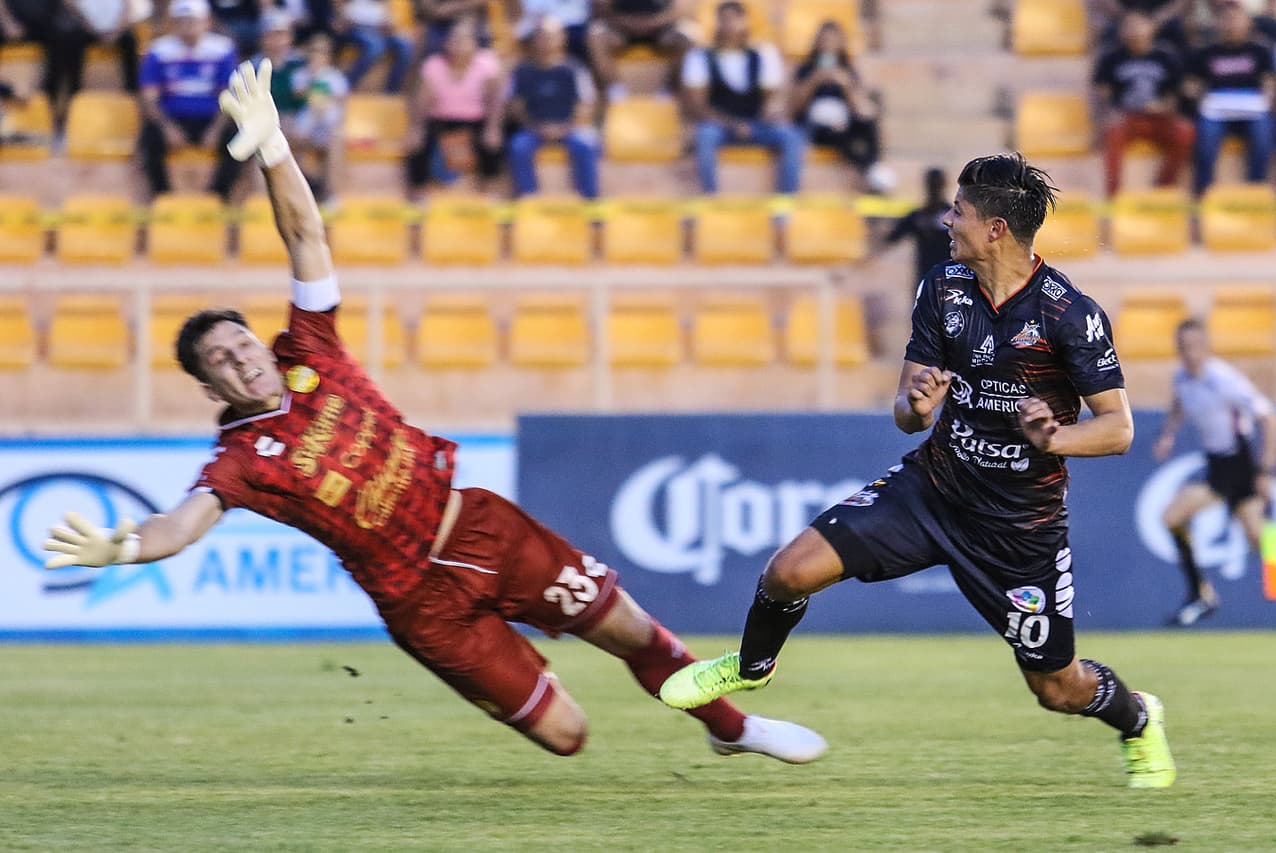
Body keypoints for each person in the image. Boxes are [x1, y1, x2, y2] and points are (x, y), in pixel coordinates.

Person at [42, 57, 826, 766]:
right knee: (568, 737)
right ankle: (523, 685)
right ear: (211, 389)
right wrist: (122, 546)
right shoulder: (241, 460)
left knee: (628, 629)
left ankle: (732, 728)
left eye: (240, 341)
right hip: (421, 604)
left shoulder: (310, 348)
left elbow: (305, 233)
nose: (240, 356)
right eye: (220, 360)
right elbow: (180, 524)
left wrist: (276, 149)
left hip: (482, 528)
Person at [659, 152, 1178, 790]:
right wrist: (917, 405)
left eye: (958, 210)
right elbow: (907, 411)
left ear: (996, 229)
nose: (946, 219)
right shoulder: (943, 287)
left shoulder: (1068, 315)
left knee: (1058, 688)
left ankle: (1138, 720)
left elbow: (1119, 429)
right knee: (788, 571)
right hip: (931, 491)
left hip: (1019, 529)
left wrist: (1056, 437)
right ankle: (752, 664)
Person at [1153, 318, 1276, 626]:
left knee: (1258, 538)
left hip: (1239, 463)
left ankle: (1201, 595)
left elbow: (1269, 419)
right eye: (1183, 347)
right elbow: (1179, 405)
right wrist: (1168, 433)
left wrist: (1263, 470)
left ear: (1206, 346)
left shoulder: (1224, 380)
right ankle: (1200, 593)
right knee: (1176, 518)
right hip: (1217, 464)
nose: (1190, 352)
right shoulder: (1182, 378)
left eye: (1195, 346)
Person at [681, 0, 804, 196]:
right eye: (724, 19)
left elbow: (771, 99)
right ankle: (710, 197)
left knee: (792, 136)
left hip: (756, 123)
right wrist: (732, 124)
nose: (729, 25)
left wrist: (768, 115)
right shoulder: (700, 56)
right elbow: (698, 105)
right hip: (720, 124)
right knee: (704, 135)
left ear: (745, 22)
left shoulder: (764, 54)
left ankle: (786, 203)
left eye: (734, 19)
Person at [137, 0, 244, 201]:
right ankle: (162, 195)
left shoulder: (222, 49)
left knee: (240, 140)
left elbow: (230, 95)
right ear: (173, 24)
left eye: (192, 21)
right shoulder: (159, 51)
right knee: (148, 140)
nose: (187, 27)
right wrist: (167, 127)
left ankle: (219, 196)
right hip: (172, 117)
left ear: (206, 22)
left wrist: (216, 129)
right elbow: (149, 98)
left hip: (211, 117)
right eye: (182, 22)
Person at [1093, 10, 1194, 196]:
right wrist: (1109, 111)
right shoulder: (1111, 57)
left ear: (1151, 29)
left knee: (1185, 132)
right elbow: (1101, 92)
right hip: (1127, 117)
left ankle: (1164, 188)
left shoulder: (1166, 56)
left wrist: (1165, 106)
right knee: (1112, 134)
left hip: (1160, 117)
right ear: (1122, 31)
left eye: (1139, 25)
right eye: (1129, 26)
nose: (1135, 31)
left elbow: (1176, 92)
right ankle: (1114, 196)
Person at [405, 14, 505, 198]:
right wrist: (416, 129)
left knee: (492, 142)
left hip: (475, 121)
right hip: (441, 120)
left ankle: (491, 194)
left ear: (475, 43)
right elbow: (421, 102)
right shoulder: (433, 65)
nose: (457, 43)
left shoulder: (487, 64)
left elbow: (495, 101)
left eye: (463, 39)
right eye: (453, 38)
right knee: (419, 142)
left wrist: (493, 128)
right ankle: (417, 196)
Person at [1185, 0, 1276, 195]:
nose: (1231, 24)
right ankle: (1204, 193)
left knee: (1264, 137)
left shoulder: (1260, 50)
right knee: (1206, 141)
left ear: (1248, 24)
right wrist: (1198, 96)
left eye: (1236, 19)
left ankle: (1255, 191)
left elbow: (1270, 80)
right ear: (1218, 24)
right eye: (1226, 20)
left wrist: (1268, 97)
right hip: (1216, 106)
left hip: (1252, 105)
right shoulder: (1205, 51)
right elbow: (1191, 83)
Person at [789, 19, 888, 191]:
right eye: (824, 40)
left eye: (833, 40)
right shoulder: (806, 69)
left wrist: (845, 85)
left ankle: (874, 166)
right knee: (839, 136)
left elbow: (862, 109)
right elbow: (795, 108)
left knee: (868, 124)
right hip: (816, 125)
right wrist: (814, 81)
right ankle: (870, 172)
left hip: (843, 121)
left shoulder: (848, 70)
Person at [508, 16, 600, 199]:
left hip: (571, 128)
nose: (545, 42)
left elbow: (587, 104)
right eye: (540, 37)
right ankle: (528, 200)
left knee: (586, 144)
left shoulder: (575, 69)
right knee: (518, 146)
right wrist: (536, 127)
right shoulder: (521, 71)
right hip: (534, 129)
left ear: (562, 38)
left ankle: (590, 202)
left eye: (550, 36)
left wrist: (566, 128)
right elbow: (515, 106)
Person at [586, 0, 690, 98]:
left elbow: (680, 11)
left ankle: (674, 89)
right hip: (621, 29)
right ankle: (614, 89)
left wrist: (652, 22)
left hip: (659, 29)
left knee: (686, 36)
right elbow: (601, 9)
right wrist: (629, 22)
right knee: (596, 34)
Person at [289, 31, 347, 201]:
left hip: (327, 127)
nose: (317, 55)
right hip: (303, 127)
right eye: (314, 51)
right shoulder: (299, 76)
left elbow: (340, 105)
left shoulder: (336, 78)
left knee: (335, 141)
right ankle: (301, 190)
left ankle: (330, 195)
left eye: (322, 52)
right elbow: (298, 101)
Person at [884, 166, 952, 286]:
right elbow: (891, 238)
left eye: (936, 184)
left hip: (949, 280)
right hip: (925, 278)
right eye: (932, 184)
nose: (934, 188)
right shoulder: (918, 216)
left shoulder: (953, 216)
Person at [334, 0, 412, 93]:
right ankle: (346, 83)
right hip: (358, 30)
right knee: (376, 46)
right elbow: (346, 20)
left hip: (381, 33)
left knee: (405, 45)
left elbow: (388, 24)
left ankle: (391, 89)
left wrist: (391, 28)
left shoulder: (384, 4)